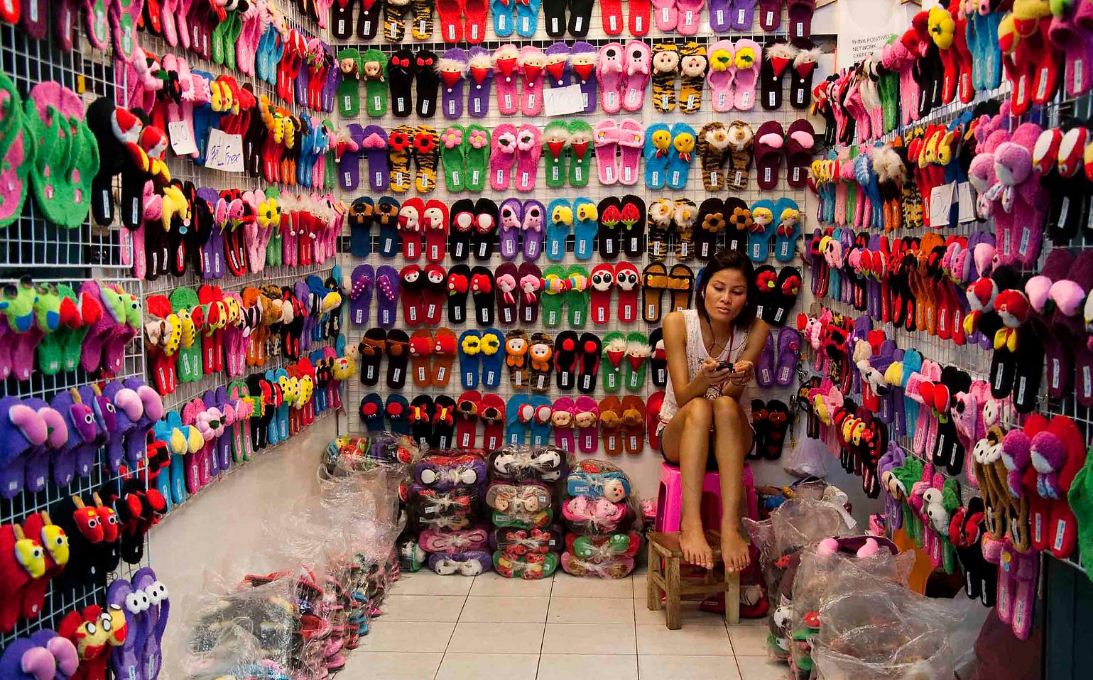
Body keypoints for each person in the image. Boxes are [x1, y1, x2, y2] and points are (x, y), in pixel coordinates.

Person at [657, 249, 769, 572]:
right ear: (703, 287)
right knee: (699, 406)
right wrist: (704, 379)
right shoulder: (677, 323)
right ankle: (690, 524)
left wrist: (738, 381)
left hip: (730, 435)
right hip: (680, 433)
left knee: (723, 404)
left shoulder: (756, 330)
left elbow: (729, 401)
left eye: (737, 292)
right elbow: (682, 396)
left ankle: (731, 526)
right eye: (719, 288)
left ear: (747, 298)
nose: (726, 299)